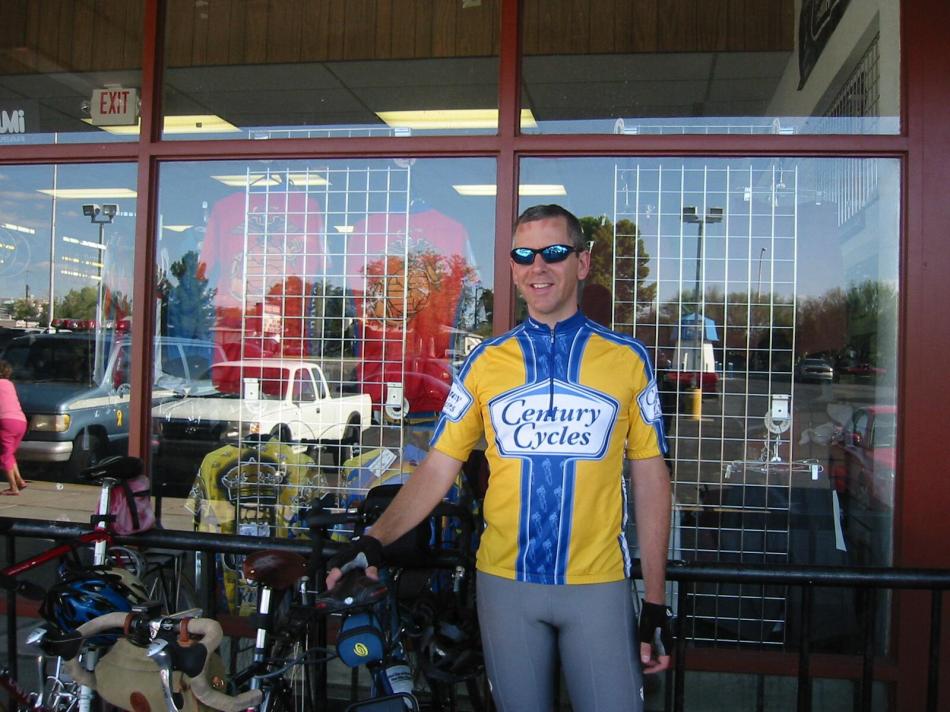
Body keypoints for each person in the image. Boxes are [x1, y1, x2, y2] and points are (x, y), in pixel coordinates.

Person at [327, 204, 674, 712]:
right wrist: (375, 541)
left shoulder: (628, 360)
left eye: (554, 252)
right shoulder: (484, 363)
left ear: (582, 263)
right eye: (524, 255)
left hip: (598, 583)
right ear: (512, 269)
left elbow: (650, 478)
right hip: (505, 583)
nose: (539, 266)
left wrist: (656, 601)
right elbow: (438, 466)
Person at [0, 359, 28, 495]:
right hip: (21, 421)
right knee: (9, 453)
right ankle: (20, 481)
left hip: (6, 422)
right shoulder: (10, 384)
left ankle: (13, 487)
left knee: (4, 456)